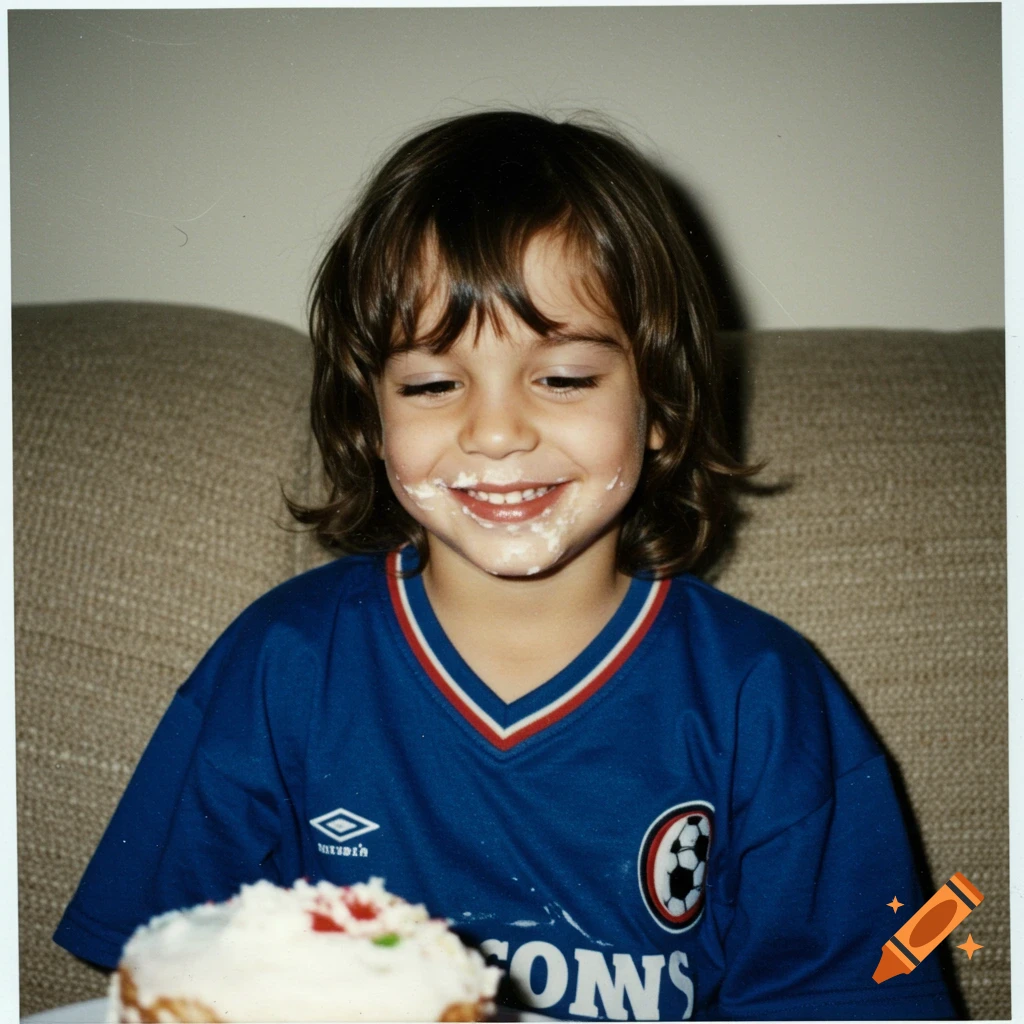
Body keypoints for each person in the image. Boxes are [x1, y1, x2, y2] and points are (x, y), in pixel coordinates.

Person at [54, 111, 954, 1020]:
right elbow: (164, 976)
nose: (493, 431)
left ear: (662, 408)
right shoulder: (280, 665)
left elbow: (854, 995)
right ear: (370, 421)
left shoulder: (764, 696)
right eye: (433, 384)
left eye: (563, 378)